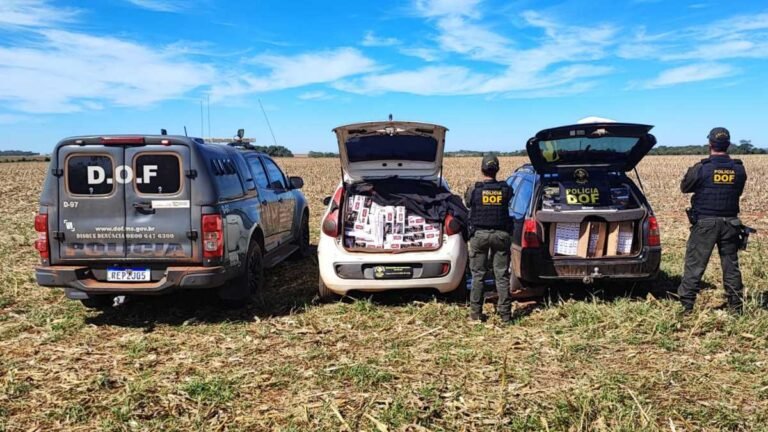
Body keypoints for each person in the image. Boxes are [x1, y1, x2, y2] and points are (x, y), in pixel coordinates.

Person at [678, 127, 748, 315]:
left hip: (705, 224)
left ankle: (686, 307)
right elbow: (737, 191)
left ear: (709, 144)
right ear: (729, 145)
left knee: (695, 265)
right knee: (731, 265)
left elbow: (685, 187)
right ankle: (736, 307)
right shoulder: (739, 169)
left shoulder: (702, 168)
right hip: (731, 224)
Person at [465, 154, 515, 323]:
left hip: (479, 235)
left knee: (478, 274)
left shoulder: (475, 189)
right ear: (497, 170)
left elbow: (468, 203)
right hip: (501, 235)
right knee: (501, 275)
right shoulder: (506, 189)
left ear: (482, 169)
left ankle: (476, 313)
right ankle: (505, 315)